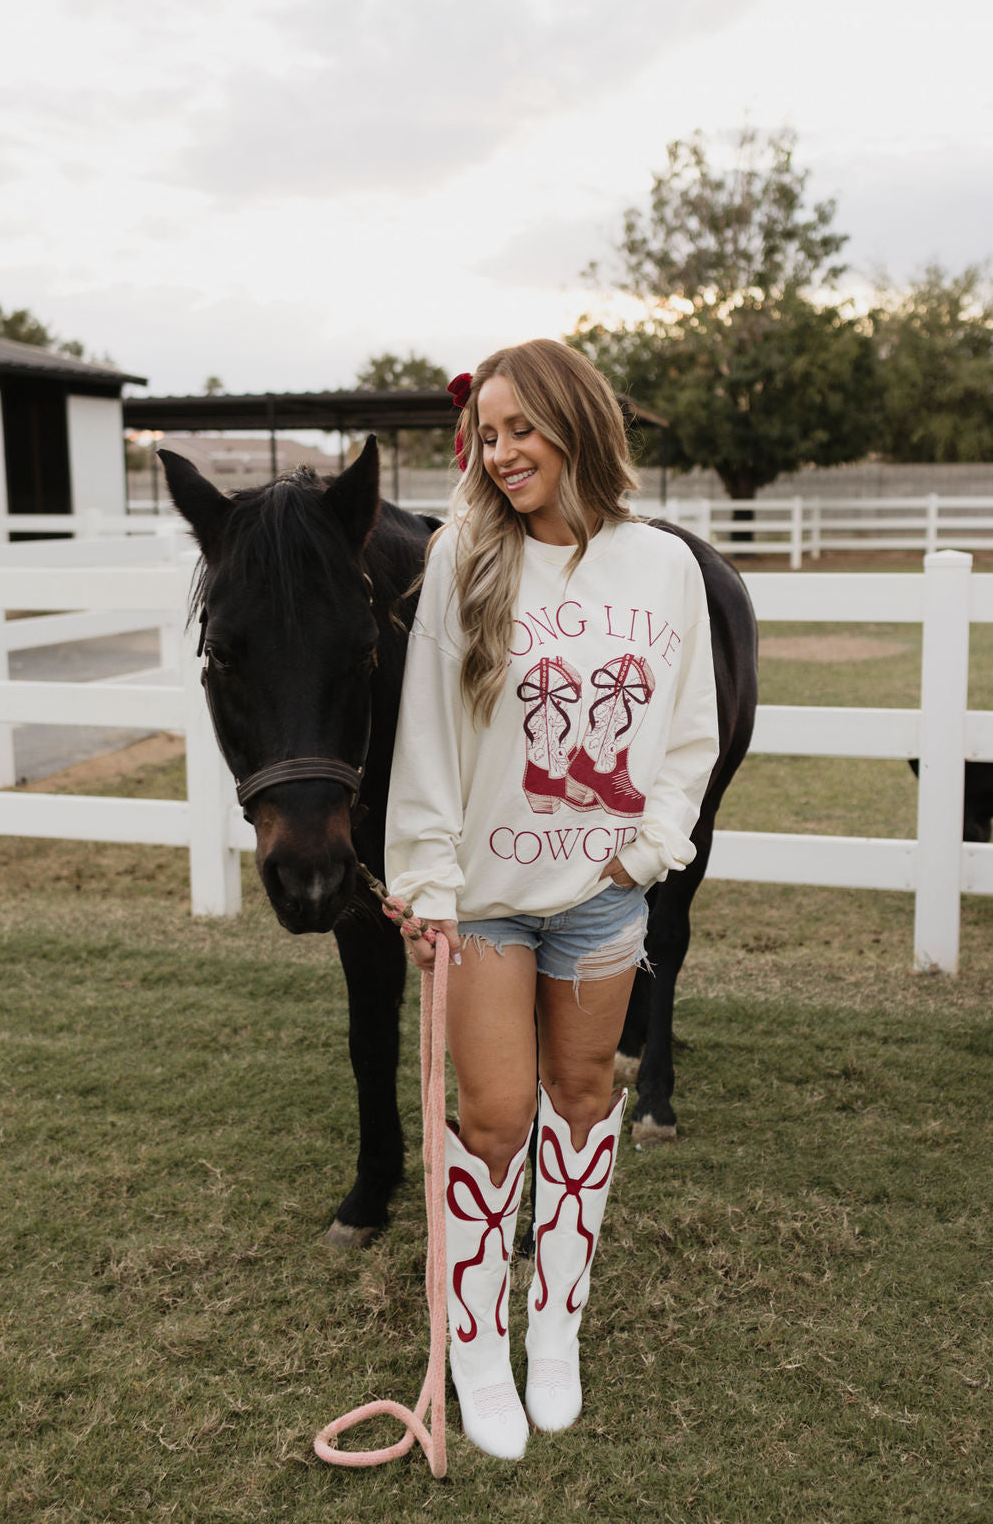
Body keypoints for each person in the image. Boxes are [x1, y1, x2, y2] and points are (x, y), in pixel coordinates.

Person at [385, 339, 718, 1460]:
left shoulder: (664, 566)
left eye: (522, 426)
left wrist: (647, 848)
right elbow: (425, 739)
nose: (502, 449)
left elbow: (686, 730)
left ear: (578, 422)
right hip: (482, 900)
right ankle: (478, 1345)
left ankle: (555, 1326)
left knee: (581, 1100)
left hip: (598, 899)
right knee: (492, 1115)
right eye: (487, 433)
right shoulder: (462, 559)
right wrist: (427, 883)